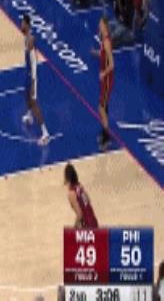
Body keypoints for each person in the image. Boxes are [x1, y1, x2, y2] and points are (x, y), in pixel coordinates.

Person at [21, 14, 49, 146]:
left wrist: (33, 81)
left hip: (32, 75)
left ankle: (45, 133)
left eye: (23, 23)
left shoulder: (30, 39)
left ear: (27, 25)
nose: (21, 25)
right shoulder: (26, 37)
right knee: (26, 96)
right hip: (27, 73)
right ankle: (29, 115)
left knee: (34, 103)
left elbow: (34, 62)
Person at [91, 16, 114, 150]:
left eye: (100, 24)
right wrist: (95, 53)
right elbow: (103, 54)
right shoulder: (103, 39)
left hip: (107, 79)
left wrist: (103, 73)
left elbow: (112, 64)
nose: (99, 25)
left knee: (101, 108)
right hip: (104, 79)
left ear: (105, 26)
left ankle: (107, 137)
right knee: (104, 107)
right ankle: (104, 133)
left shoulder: (106, 42)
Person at [64, 163, 98, 228]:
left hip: (87, 225)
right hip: (93, 220)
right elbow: (88, 200)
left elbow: (79, 214)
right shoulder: (80, 186)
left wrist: (74, 227)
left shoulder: (71, 193)